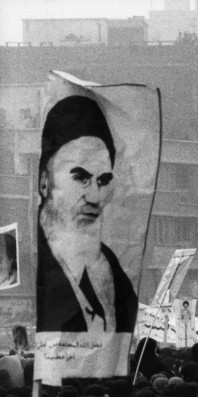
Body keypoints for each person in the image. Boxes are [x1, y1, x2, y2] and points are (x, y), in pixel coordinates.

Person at [36, 94, 137, 333]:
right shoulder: (40, 271)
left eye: (102, 181)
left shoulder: (117, 279)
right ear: (45, 183)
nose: (94, 197)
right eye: (81, 178)